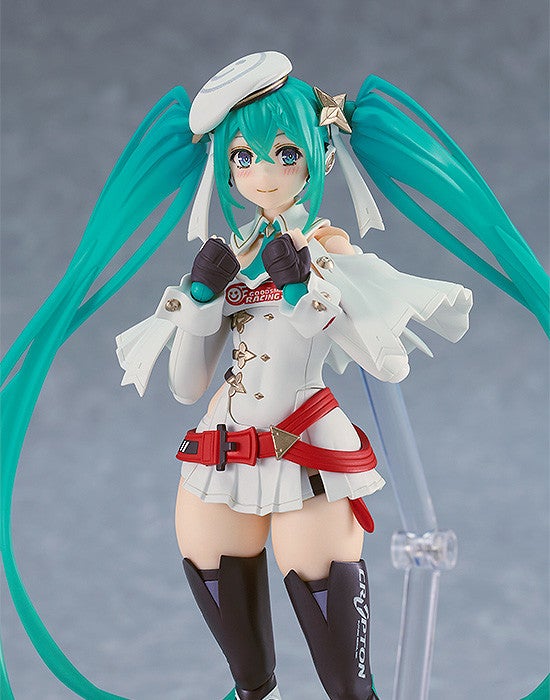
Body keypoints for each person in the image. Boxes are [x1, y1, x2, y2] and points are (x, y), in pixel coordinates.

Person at [1, 51, 547, 700]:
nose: (262, 173)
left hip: (306, 453)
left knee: (344, 673)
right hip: (220, 457)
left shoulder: (329, 252)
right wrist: (200, 302)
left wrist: (303, 291)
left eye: (285, 154)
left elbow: (383, 359)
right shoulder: (227, 259)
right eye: (243, 156)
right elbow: (186, 384)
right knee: (247, 673)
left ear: (319, 156)